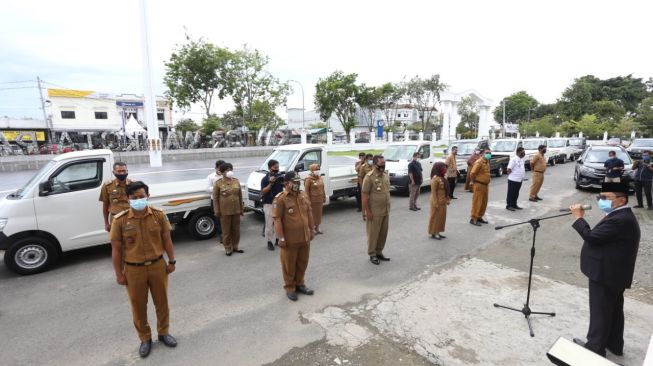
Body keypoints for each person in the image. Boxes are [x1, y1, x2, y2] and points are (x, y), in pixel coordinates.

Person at [570, 182, 640, 358]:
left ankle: (595, 348)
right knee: (613, 310)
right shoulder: (620, 214)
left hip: (606, 274)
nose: (601, 201)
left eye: (606, 198)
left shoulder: (620, 219)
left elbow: (591, 236)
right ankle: (614, 344)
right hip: (613, 273)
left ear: (621, 200)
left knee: (600, 311)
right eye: (599, 197)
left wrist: (579, 218)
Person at [109, 181, 178, 358]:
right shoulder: (120, 220)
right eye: (134, 198)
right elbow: (116, 249)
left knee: (162, 303)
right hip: (133, 270)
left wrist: (172, 261)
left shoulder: (158, 215)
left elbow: (167, 239)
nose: (138, 200)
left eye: (141, 196)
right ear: (127, 198)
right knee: (138, 307)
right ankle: (145, 338)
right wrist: (119, 274)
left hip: (157, 266)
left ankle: (163, 333)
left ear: (148, 196)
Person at [272, 171, 315, 301]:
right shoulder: (280, 199)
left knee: (302, 262)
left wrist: (311, 230)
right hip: (290, 240)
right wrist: (282, 238)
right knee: (289, 265)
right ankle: (290, 287)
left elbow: (309, 212)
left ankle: (300, 284)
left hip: (304, 237)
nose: (297, 184)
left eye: (298, 182)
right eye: (294, 182)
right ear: (286, 183)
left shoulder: (303, 195)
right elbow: (277, 219)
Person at [361, 155, 391, 265]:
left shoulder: (385, 175)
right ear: (374, 164)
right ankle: (372, 254)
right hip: (374, 212)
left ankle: (379, 252)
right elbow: (364, 196)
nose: (383, 166)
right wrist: (367, 212)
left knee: (383, 233)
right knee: (373, 234)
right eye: (381, 164)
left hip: (385, 210)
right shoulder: (369, 177)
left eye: (384, 163)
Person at [213, 163, 244, 256]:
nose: (229, 171)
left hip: (236, 210)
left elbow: (240, 196)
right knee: (226, 231)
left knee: (236, 230)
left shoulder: (236, 181)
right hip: (224, 211)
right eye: (226, 170)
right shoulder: (218, 183)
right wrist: (217, 210)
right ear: (222, 172)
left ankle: (235, 246)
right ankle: (227, 248)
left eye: (230, 169)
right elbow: (215, 198)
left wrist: (241, 209)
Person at [100, 162, 132, 232]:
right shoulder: (107, 186)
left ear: (127, 171)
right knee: (116, 239)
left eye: (124, 171)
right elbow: (105, 205)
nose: (122, 173)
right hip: (115, 218)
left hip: (131, 217)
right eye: (119, 171)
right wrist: (106, 223)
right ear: (113, 172)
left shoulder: (133, 184)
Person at [260, 159, 285, 250]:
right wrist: (270, 183)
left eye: (278, 167)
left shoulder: (280, 177)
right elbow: (263, 192)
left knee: (279, 223)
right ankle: (269, 241)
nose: (277, 169)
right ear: (269, 168)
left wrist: (284, 182)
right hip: (269, 204)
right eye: (275, 168)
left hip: (279, 203)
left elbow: (284, 188)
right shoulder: (265, 179)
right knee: (269, 224)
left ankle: (278, 239)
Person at [469, 148, 492, 226]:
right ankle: (473, 218)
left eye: (490, 153)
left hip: (485, 185)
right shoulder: (479, 162)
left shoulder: (487, 162)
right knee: (477, 202)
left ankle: (479, 216)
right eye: (487, 153)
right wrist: (472, 181)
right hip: (479, 185)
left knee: (483, 203)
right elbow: (472, 173)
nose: (489, 154)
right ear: (482, 154)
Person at [428, 162, 450, 240]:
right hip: (436, 201)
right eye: (443, 168)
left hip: (442, 201)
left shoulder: (443, 178)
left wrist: (447, 199)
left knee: (441, 218)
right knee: (435, 218)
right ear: (438, 169)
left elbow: (446, 190)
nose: (445, 169)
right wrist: (435, 203)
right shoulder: (435, 179)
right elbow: (433, 192)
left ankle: (438, 231)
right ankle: (434, 232)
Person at [207, 159, 225, 242]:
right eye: (219, 169)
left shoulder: (226, 176)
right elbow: (207, 189)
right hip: (215, 200)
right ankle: (221, 234)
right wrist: (217, 188)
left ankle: (226, 234)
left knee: (225, 217)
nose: (220, 171)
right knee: (217, 217)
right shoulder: (211, 176)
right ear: (216, 168)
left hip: (225, 200)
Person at [305, 163, 326, 234]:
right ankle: (312, 229)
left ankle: (317, 228)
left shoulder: (320, 178)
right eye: (316, 169)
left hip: (319, 199)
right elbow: (306, 191)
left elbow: (323, 188)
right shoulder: (308, 179)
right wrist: (308, 201)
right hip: (312, 200)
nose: (317, 170)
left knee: (319, 214)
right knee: (312, 215)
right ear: (312, 170)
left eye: (318, 169)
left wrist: (324, 197)